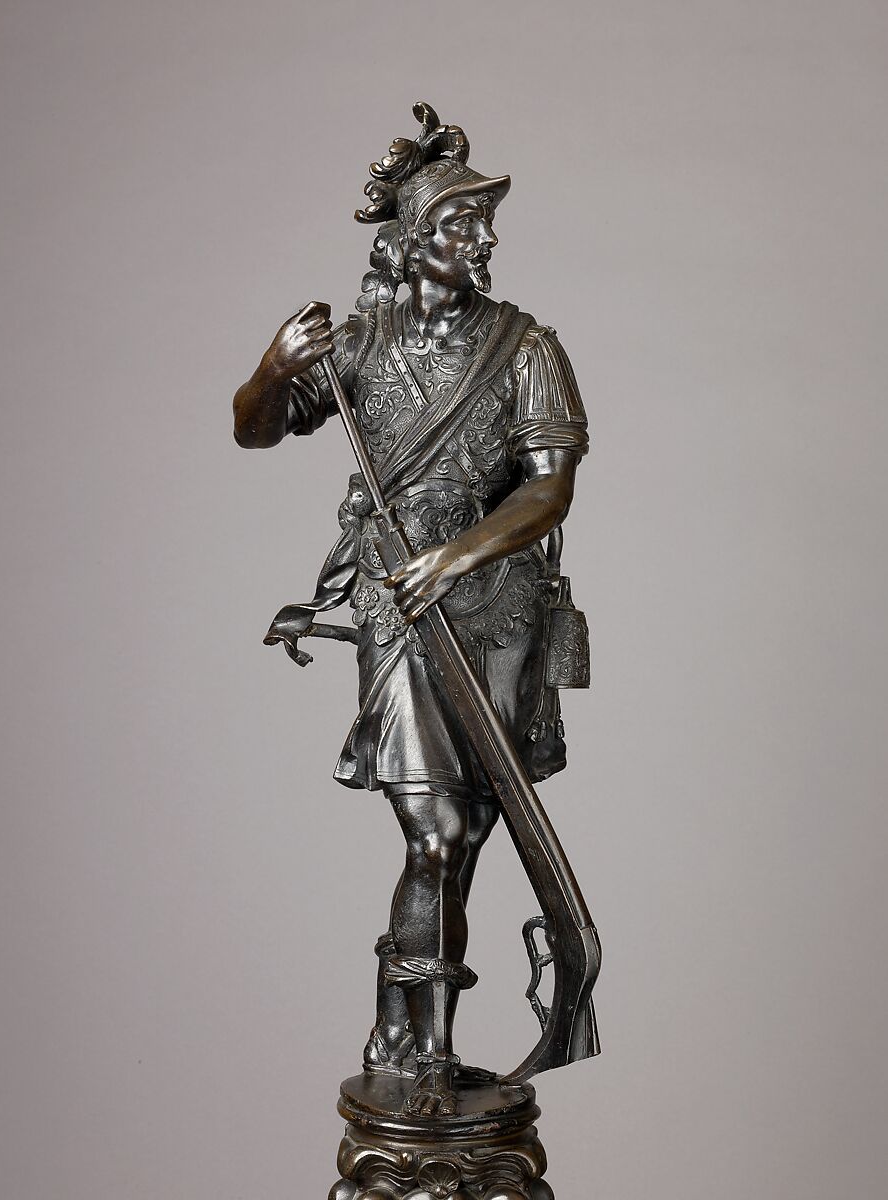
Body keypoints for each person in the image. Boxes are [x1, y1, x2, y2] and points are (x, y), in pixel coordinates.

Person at [233, 104, 589, 1118]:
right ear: (414, 237)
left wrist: (459, 554)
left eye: (484, 223)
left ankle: (400, 1033)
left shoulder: (526, 347)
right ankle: (423, 1052)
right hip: (400, 608)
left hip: (496, 613)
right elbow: (256, 430)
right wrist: (273, 368)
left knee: (465, 831)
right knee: (434, 827)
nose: (482, 239)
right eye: (460, 223)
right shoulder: (359, 346)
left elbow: (549, 488)